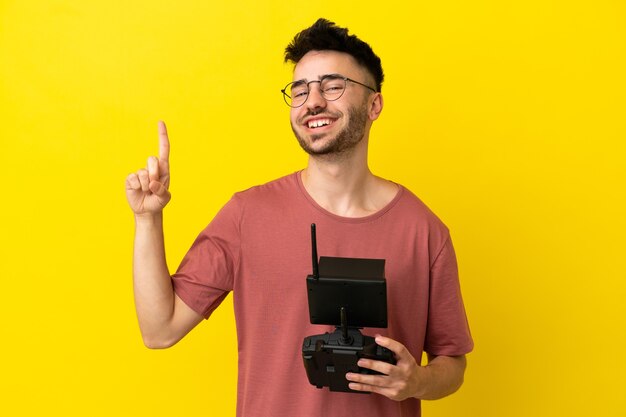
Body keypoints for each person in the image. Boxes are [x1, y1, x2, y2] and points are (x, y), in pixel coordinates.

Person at [126, 18, 473, 417]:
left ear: (374, 104)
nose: (313, 102)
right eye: (300, 89)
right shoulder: (247, 215)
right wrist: (147, 220)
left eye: (333, 85)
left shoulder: (424, 231)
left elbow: (454, 364)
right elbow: (160, 329)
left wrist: (417, 382)